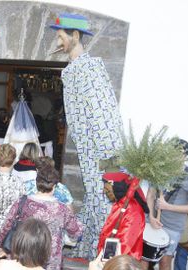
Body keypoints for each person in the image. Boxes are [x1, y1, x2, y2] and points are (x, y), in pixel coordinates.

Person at [49, 13, 123, 259]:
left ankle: (105, 259)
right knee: (94, 203)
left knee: (103, 208)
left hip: (102, 159)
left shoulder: (89, 69)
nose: (58, 41)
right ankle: (91, 251)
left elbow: (106, 121)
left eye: (61, 36)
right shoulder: (73, 70)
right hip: (89, 156)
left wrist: (111, 172)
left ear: (76, 36)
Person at [0, 163, 83, 270]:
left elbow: (7, 225)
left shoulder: (22, 202)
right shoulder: (62, 209)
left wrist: (0, 244)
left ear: (37, 183)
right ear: (54, 187)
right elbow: (76, 232)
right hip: (49, 257)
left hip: (22, 252)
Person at [143, 139, 188, 270]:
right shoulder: (159, 169)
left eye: (179, 153)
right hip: (151, 221)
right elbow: (150, 195)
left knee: (164, 263)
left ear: (185, 156)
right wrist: (151, 217)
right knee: (143, 260)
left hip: (172, 227)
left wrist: (168, 207)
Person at [98, 172, 148, 260]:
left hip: (121, 262)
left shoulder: (134, 211)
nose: (105, 193)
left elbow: (125, 244)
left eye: (108, 190)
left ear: (117, 188)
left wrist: (109, 260)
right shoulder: (120, 204)